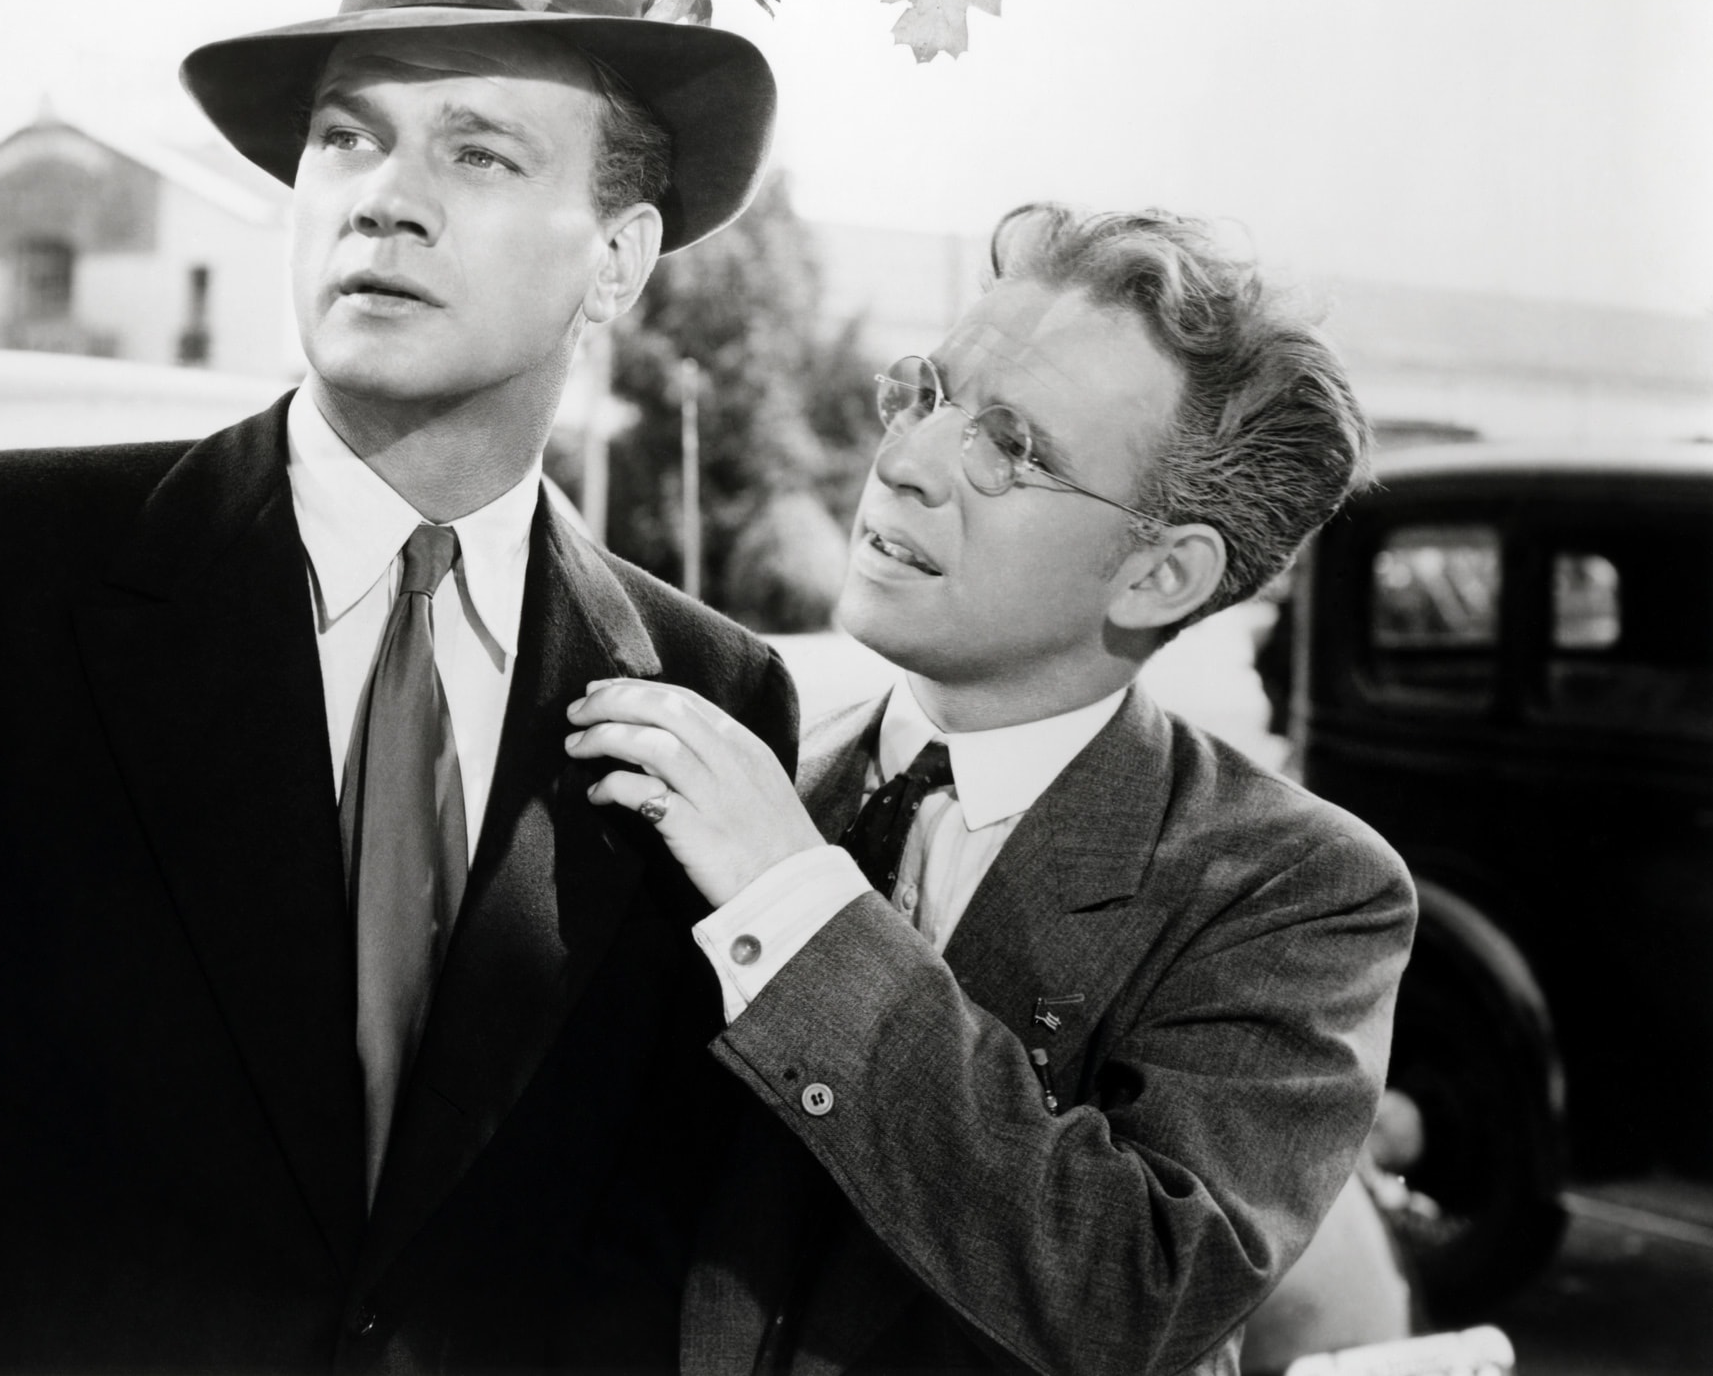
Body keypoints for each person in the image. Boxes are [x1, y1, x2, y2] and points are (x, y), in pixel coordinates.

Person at [0, 0, 794, 1374]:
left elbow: (654, 1238)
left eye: (480, 153)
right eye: (346, 137)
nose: (384, 200)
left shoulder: (707, 692)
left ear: (619, 260)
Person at [565, 204, 1418, 1376]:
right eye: (925, 395)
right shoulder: (758, 783)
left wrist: (798, 910)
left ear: (1160, 574)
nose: (903, 463)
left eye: (1011, 446)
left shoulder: (1293, 891)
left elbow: (1133, 1295)